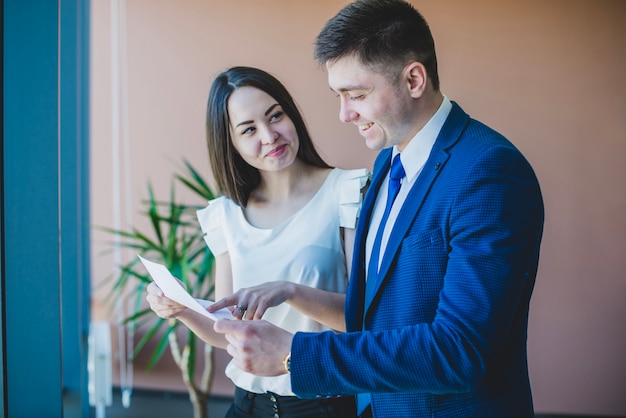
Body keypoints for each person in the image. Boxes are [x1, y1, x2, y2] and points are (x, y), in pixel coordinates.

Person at [209, 1, 545, 417]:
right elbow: (374, 316)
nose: (344, 114)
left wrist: (295, 355)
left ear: (414, 79)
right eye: (339, 96)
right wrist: (292, 292)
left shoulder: (489, 171)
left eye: (357, 95)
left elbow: (459, 350)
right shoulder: (387, 162)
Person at [146, 66, 369, 417]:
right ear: (230, 142)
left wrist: (291, 291)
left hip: (322, 406)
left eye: (275, 116)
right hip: (246, 405)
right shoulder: (226, 215)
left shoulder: (345, 192)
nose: (270, 135)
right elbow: (227, 331)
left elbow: (365, 317)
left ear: (291, 115)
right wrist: (182, 309)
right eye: (249, 129)